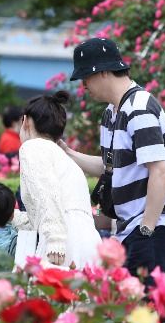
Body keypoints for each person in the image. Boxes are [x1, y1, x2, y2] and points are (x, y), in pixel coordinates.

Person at [61, 37, 165, 280]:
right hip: (132, 228)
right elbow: (110, 168)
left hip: (154, 226)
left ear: (104, 72)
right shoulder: (112, 111)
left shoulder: (138, 108)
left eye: (85, 77)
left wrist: (146, 229)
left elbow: (160, 172)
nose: (84, 85)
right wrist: (67, 153)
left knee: (142, 307)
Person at [13, 91, 101, 268]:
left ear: (26, 121)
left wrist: (55, 240)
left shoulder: (32, 148)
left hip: (63, 242)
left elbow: (46, 193)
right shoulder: (65, 159)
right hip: (89, 242)